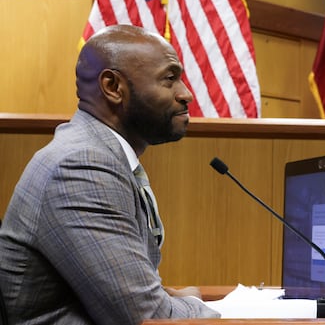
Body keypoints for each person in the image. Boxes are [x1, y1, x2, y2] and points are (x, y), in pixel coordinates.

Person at [0, 25, 220, 324]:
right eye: (170, 78)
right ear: (113, 87)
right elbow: (147, 317)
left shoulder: (98, 154)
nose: (186, 94)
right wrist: (214, 310)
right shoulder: (82, 166)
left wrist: (179, 299)